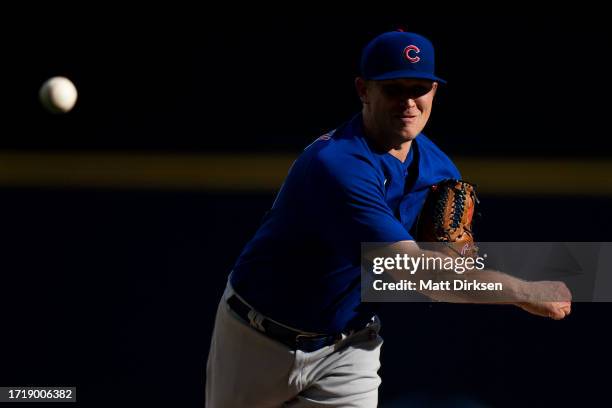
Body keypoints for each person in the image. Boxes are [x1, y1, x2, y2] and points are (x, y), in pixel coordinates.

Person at [205, 30, 571, 407]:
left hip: (349, 348)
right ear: (363, 90)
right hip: (258, 340)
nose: (409, 102)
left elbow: (442, 268)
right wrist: (524, 292)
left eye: (420, 88)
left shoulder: (438, 171)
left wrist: (458, 258)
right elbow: (417, 273)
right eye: (395, 88)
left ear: (434, 92)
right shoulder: (338, 166)